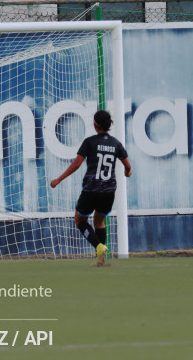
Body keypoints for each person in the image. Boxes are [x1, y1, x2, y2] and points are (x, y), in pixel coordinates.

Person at [50, 110, 132, 266]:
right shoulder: (116, 143)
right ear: (109, 125)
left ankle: (98, 247)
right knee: (99, 222)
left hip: (91, 190)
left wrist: (59, 179)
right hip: (108, 192)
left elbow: (77, 164)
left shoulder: (90, 142)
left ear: (95, 125)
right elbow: (128, 166)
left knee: (80, 220)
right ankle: (101, 260)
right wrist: (127, 172)